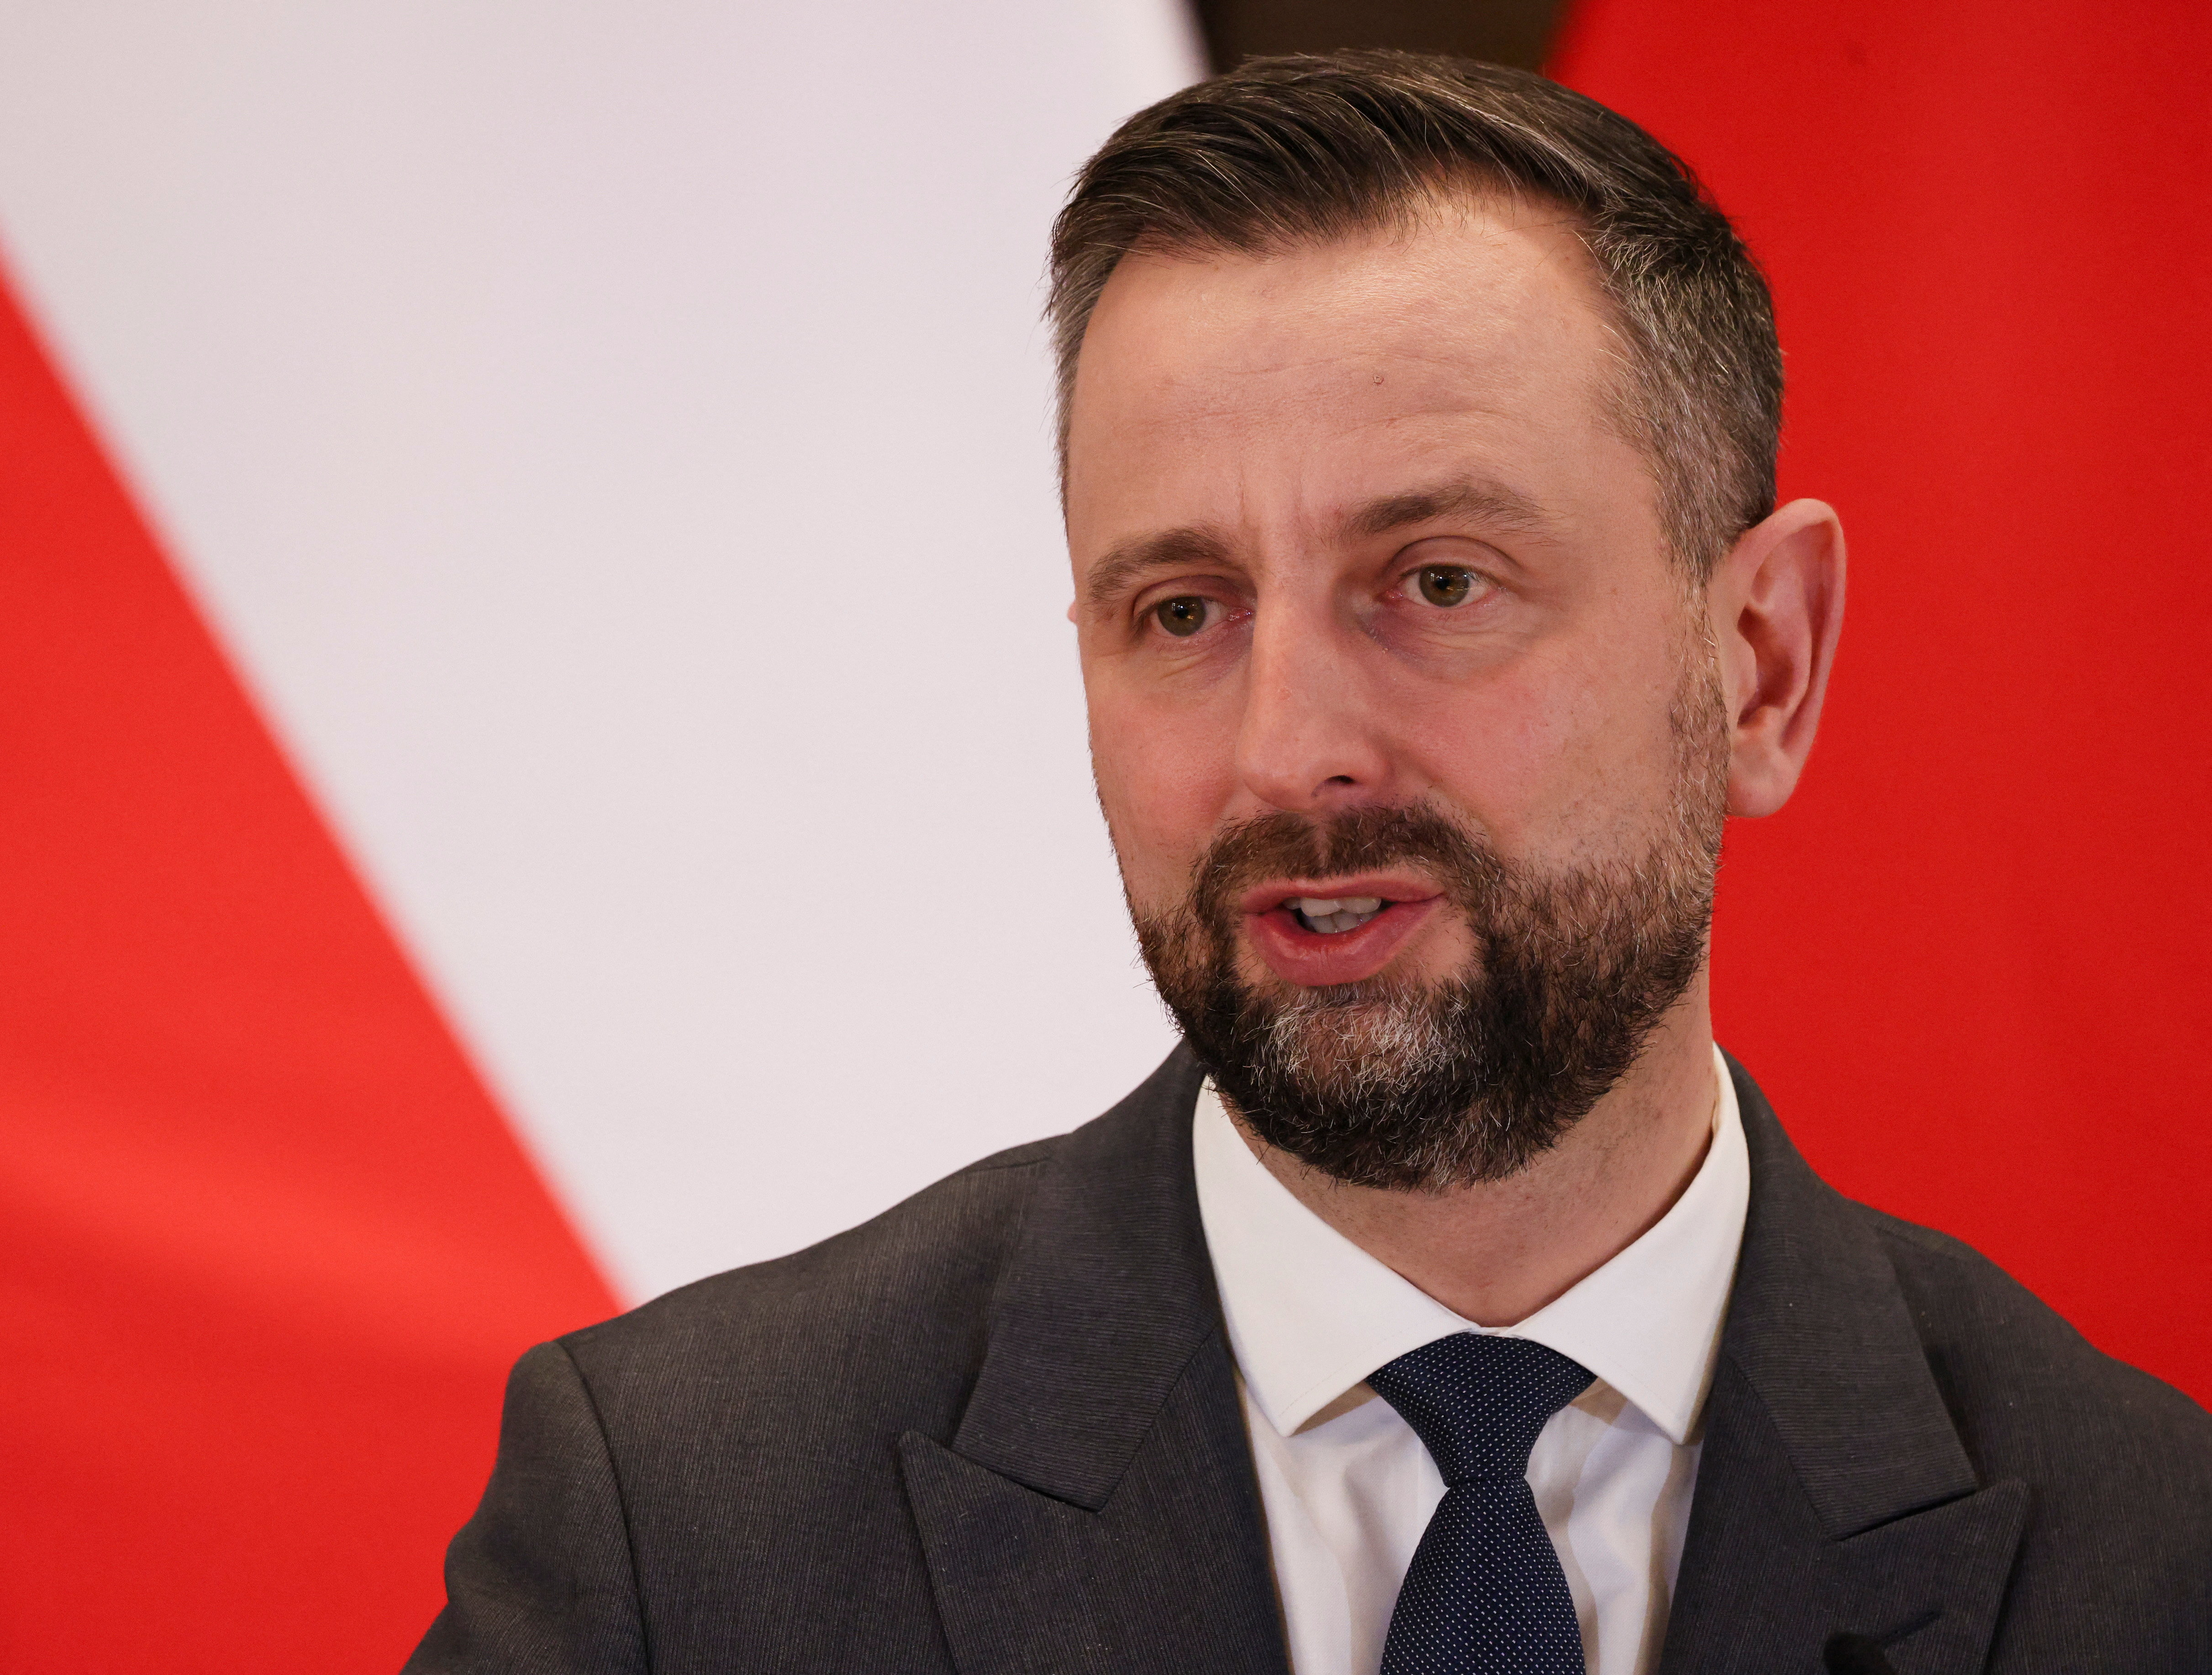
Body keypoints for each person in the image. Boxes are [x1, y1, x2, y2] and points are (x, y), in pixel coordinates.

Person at [405, 51, 2211, 1675]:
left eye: (1436, 579)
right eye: (1180, 609)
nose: (1281, 748)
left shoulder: (2154, 1562)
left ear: (1759, 662)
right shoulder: (680, 1529)